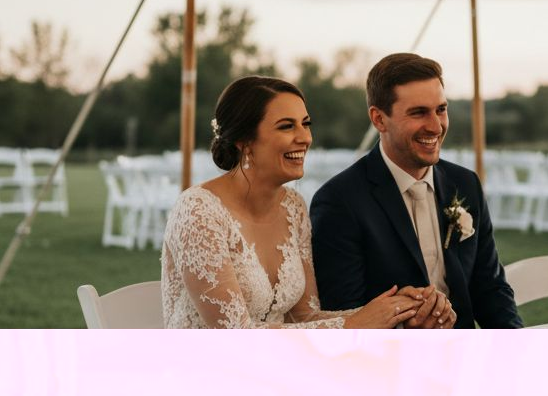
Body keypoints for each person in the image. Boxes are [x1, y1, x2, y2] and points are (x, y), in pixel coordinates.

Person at [161, 76, 428, 329]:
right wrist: (352, 325)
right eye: (287, 126)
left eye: (306, 124)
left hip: (275, 366)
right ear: (244, 141)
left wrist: (397, 310)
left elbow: (304, 317)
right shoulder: (198, 211)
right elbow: (235, 334)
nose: (305, 137)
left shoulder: (294, 207)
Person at [311, 53, 522, 328]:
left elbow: (491, 289)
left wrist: (518, 350)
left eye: (441, 109)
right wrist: (403, 313)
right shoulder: (339, 201)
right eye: (418, 112)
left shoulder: (466, 184)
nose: (436, 126)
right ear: (379, 119)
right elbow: (342, 314)